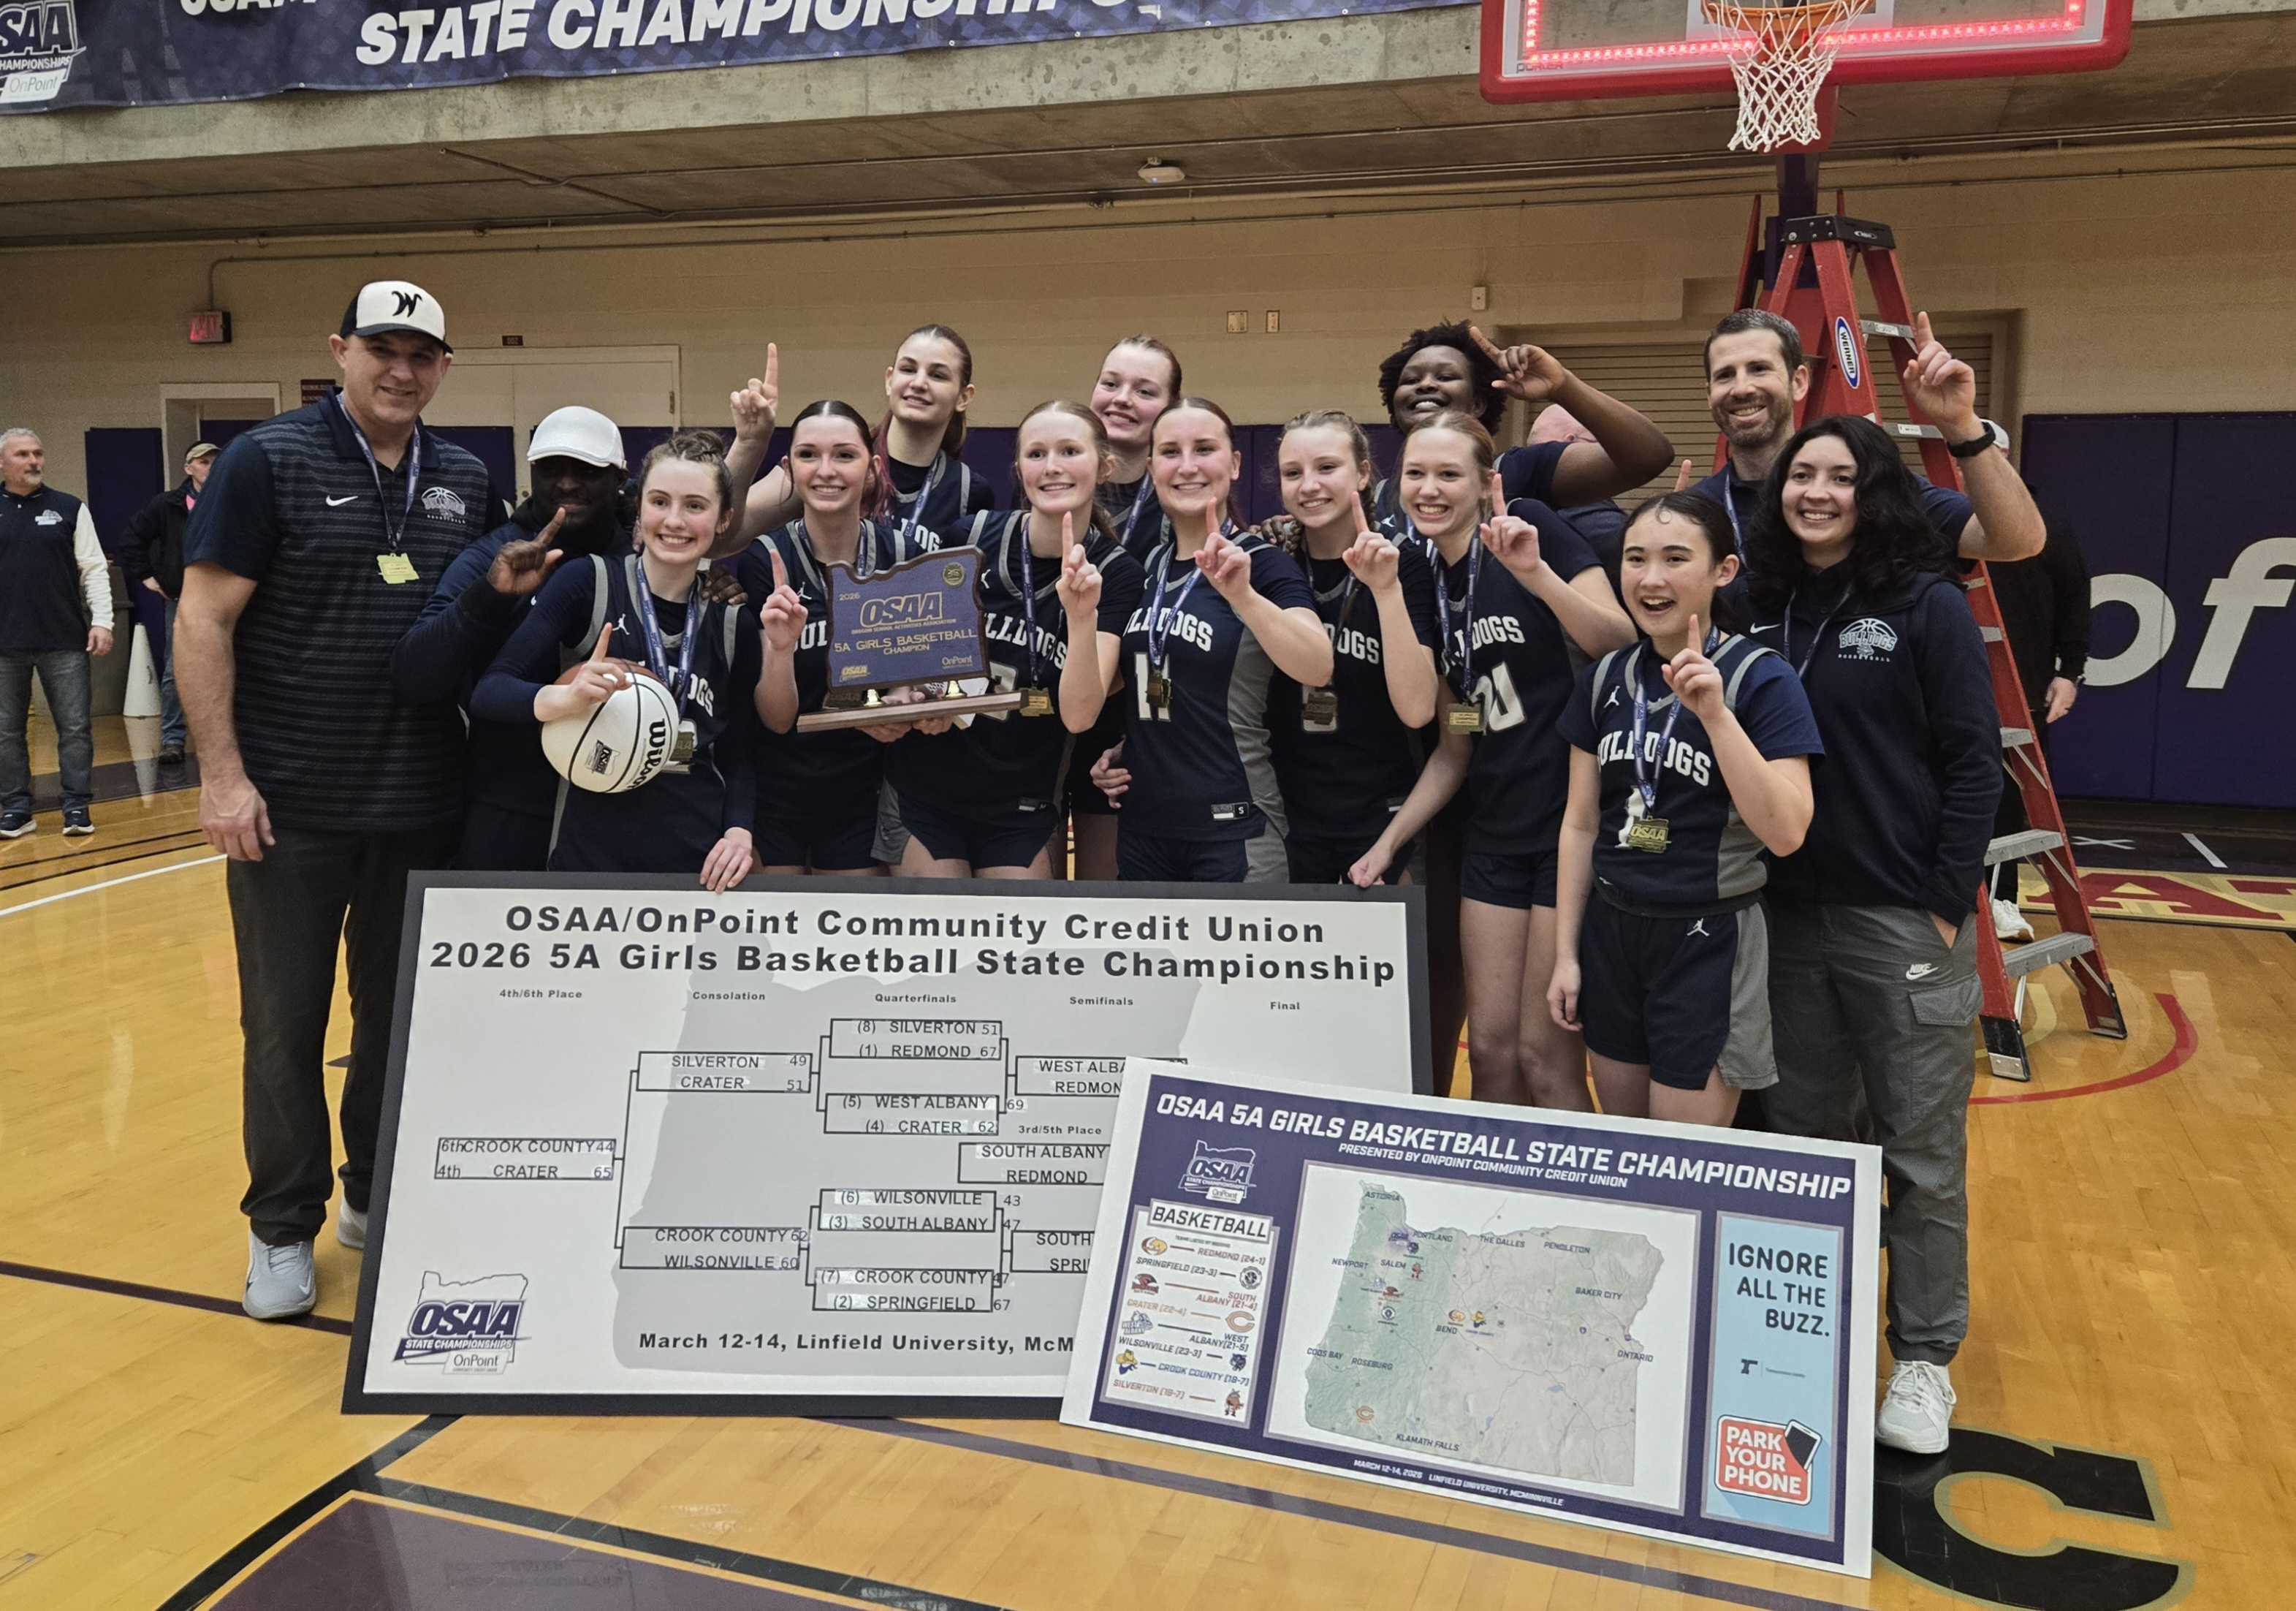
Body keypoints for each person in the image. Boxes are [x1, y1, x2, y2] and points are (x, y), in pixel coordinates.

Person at [176, 281, 494, 1320]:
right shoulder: (268, 461)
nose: (401, 370)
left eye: (422, 355)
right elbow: (203, 620)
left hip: (421, 807)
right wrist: (221, 777)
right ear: (339, 352)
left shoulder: (465, 477)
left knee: (398, 1027)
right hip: (290, 809)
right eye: (381, 349)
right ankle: (280, 1229)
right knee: (281, 1033)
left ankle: (370, 1193)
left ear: (444, 368)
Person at [1743, 413, 2004, 1456]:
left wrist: (1945, 900)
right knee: (1808, 1143)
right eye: (1799, 474)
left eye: (1838, 477)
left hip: (1898, 914)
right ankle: (1816, 1339)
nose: (1813, 491)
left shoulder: (1923, 602)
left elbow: (1974, 761)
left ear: (1876, 491)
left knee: (1921, 1154)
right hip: (1786, 913)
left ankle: (1926, 1361)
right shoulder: (1761, 602)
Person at [1347, 413, 1635, 1108]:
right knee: (1491, 1055)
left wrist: (1536, 576)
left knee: (1544, 1058)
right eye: (1416, 474)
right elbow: (1452, 745)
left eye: (1449, 474)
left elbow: (1619, 641)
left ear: (1487, 484)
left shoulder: (1530, 525)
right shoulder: (1418, 573)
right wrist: (1387, 844)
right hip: (1494, 833)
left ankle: (1579, 1206)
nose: (1430, 489)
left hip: (1569, 828)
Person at [1548, 494, 1822, 1126]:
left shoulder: (1762, 678)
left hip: (1708, 937)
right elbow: (1581, 824)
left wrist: (1716, 716)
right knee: (1625, 1149)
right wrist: (1566, 953)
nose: (1651, 579)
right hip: (1613, 934)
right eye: (1636, 559)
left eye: (1676, 559)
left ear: (1723, 571)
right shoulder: (1604, 678)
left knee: (1680, 1166)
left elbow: (1786, 832)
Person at [471, 431, 760, 888]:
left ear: (723, 519)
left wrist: (739, 831)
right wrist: (562, 698)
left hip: (701, 866)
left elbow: (740, 753)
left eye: (695, 506)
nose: (675, 521)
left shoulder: (734, 625)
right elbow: (490, 691)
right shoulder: (586, 583)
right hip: (589, 860)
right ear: (639, 510)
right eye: (660, 501)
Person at [888, 401, 1145, 879]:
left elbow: (1080, 713)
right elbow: (915, 660)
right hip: (930, 790)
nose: (1052, 467)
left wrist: (1081, 616)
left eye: (1070, 451)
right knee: (935, 942)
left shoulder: (1117, 573)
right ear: (1019, 468)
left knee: (1013, 949)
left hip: (1022, 803)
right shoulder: (971, 537)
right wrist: (927, 699)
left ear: (1104, 466)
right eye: (1036, 454)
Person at [1090, 398, 1331, 882]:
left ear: (1235, 464)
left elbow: (1317, 666)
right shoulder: (1146, 569)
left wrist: (1243, 597)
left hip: (1235, 830)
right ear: (1153, 466)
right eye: (1171, 452)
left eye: (1204, 449)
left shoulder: (1262, 563)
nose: (1188, 466)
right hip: (1145, 832)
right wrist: (1128, 747)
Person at [390, 406, 633, 871]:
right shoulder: (491, 557)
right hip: (509, 806)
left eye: (585, 469)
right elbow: (413, 675)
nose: (566, 483)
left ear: (618, 476)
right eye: (551, 469)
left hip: (618, 806)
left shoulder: (644, 564)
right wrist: (490, 596)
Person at [734, 400, 943, 875]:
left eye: (844, 455)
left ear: (872, 469)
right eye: (809, 455)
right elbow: (776, 718)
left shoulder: (903, 555)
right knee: (779, 940)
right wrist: (783, 648)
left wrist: (906, 703)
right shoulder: (765, 560)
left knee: (852, 942)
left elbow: (937, 679)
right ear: (789, 469)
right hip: (780, 789)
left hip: (866, 791)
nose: (826, 470)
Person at [1690, 308, 2044, 564]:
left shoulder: (1875, 485)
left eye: (1759, 369)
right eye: (1725, 376)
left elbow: (2017, 543)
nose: (1741, 388)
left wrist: (1961, 424)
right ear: (1708, 395)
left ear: (1799, 381)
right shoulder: (1697, 511)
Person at [1263, 410, 1439, 884]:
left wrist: (1385, 590)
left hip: (1380, 812)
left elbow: (1419, 709)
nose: (1309, 486)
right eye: (1293, 473)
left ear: (1363, 473)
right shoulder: (1272, 560)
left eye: (1327, 468)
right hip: (1288, 813)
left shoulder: (1403, 562)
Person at [1068, 335, 1183, 880]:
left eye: (1144, 390)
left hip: (1128, 733)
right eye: (1110, 383)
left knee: (1104, 903)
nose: (1121, 399)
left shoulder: (1177, 507)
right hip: (1043, 723)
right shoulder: (1058, 485)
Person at [1372, 320, 1674, 527]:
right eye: (1411, 380)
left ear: (1478, 402)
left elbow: (1650, 456)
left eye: (1445, 377)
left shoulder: (1518, 472)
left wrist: (1562, 386)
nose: (1424, 385)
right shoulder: (1376, 498)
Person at [0, 427, 114, 839]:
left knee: (75, 727)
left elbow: (94, 567)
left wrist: (103, 620)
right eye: (23, 455)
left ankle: (76, 806)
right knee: (6, 731)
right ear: (2, 463)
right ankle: (15, 808)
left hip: (64, 639)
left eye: (38, 453)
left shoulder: (69, 508)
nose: (33, 461)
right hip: (4, 644)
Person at [1985, 496, 2089, 939]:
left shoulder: (2047, 524)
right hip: (1939, 684)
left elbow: (2075, 598)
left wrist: (2070, 672)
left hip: (2019, 688)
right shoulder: (1930, 518)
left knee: (2008, 799)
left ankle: (2002, 898)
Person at [115, 439, 217, 765]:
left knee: (234, 665)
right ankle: (173, 738)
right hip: (182, 597)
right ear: (189, 469)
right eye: (203, 462)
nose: (210, 467)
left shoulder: (233, 500)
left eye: (216, 461)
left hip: (226, 597)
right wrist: (146, 576)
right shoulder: (167, 505)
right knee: (176, 669)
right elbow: (131, 539)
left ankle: (232, 737)